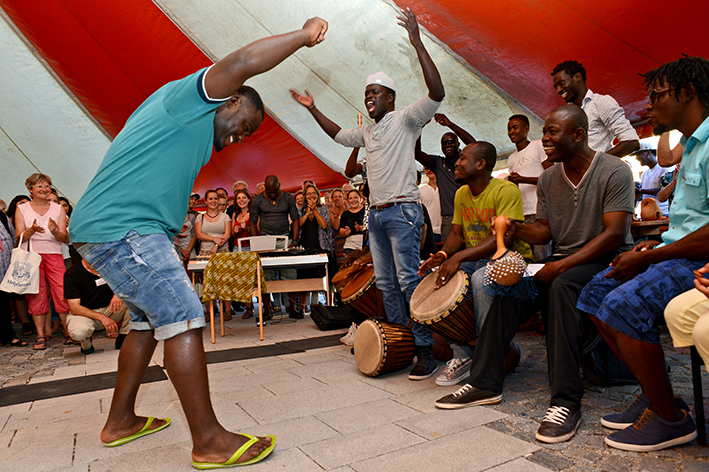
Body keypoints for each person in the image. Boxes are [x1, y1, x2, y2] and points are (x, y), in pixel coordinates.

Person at [67, 17, 327, 467]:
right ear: (230, 100)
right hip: (123, 228)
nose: (240, 137)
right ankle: (208, 441)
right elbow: (244, 61)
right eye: (244, 125)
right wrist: (304, 35)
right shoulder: (186, 100)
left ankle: (120, 421)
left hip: (119, 229)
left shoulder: (195, 136)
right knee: (184, 316)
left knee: (147, 323)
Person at [434, 105, 635, 445]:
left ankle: (565, 402)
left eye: (552, 132)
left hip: (605, 260)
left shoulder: (614, 170)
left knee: (560, 287)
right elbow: (543, 231)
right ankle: (485, 382)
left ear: (578, 135)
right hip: (562, 258)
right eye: (544, 133)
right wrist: (516, 229)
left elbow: (614, 234)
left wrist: (562, 265)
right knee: (506, 287)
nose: (545, 140)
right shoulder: (549, 179)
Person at [291, 7, 444, 379]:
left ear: (390, 97)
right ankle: (403, 344)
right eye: (366, 94)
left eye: (375, 92)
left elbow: (437, 93)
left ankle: (425, 350)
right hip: (375, 216)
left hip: (403, 212)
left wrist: (417, 42)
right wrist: (313, 109)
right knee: (387, 284)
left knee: (407, 280)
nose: (369, 98)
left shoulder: (406, 118)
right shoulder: (367, 132)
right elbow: (337, 135)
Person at [577, 55, 709, 452]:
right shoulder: (690, 146)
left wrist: (652, 258)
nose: (648, 106)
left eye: (657, 95)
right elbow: (690, 222)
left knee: (623, 304)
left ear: (688, 92)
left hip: (700, 263)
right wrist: (658, 245)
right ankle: (657, 394)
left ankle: (670, 418)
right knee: (595, 293)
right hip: (677, 252)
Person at [418, 141, 532, 386]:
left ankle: (487, 356)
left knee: (482, 278)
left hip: (509, 258)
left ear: (480, 164)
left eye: (463, 158)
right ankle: (462, 355)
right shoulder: (461, 193)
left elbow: (505, 237)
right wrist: (443, 256)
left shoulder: (505, 190)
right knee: (437, 278)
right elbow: (455, 234)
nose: (457, 164)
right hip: (477, 258)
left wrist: (459, 257)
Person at [14, 173, 71, 350]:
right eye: (39, 186)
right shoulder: (22, 209)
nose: (44, 189)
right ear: (30, 189)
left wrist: (54, 231)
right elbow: (19, 237)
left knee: (61, 292)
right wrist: (31, 230)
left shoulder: (57, 208)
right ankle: (40, 335)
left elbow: (64, 237)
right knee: (36, 295)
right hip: (32, 256)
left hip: (54, 254)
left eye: (47, 186)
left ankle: (68, 332)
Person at [552, 60, 640, 157]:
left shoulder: (600, 102)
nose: (558, 90)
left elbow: (631, 142)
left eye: (561, 83)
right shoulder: (565, 113)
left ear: (578, 77)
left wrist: (595, 163)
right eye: (556, 87)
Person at [415, 113, 475, 240]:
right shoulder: (438, 163)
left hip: (470, 212)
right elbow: (417, 154)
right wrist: (420, 128)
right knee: (448, 250)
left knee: (474, 247)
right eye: (444, 143)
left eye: (451, 142)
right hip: (449, 217)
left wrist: (450, 125)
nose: (447, 145)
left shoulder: (466, 159)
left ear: (458, 144)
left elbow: (476, 145)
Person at [250, 175, 300, 318]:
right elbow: (252, 222)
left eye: (274, 191)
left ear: (279, 186)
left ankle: (292, 308)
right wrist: (256, 242)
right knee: (266, 276)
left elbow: (295, 219)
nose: (272, 194)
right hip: (265, 239)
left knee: (289, 274)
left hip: (285, 237)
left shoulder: (288, 198)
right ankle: (267, 310)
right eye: (269, 191)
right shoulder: (258, 200)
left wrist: (295, 240)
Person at [505, 114, 553, 260]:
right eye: (509, 129)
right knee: (526, 257)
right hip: (522, 213)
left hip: (540, 211)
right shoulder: (511, 158)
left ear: (526, 129)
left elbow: (552, 177)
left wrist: (523, 179)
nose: (511, 132)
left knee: (542, 256)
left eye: (515, 127)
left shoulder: (538, 146)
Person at [64, 259, 131, 354]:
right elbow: (75, 308)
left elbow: (130, 282)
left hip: (111, 309)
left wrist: (118, 294)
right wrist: (102, 317)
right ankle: (86, 343)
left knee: (136, 301)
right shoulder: (72, 274)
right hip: (85, 314)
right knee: (79, 331)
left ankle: (125, 336)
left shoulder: (111, 265)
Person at [296, 183, 334, 313]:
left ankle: (321, 305)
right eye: (308, 194)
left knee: (322, 277)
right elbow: (297, 226)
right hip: (304, 248)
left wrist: (315, 211)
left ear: (317, 195)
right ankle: (302, 306)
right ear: (305, 196)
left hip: (320, 247)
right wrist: (307, 214)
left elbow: (324, 225)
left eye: (313, 193)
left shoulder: (323, 209)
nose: (311, 196)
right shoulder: (300, 210)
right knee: (303, 278)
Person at [0, 208, 27, 347]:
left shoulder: (2, 217)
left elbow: (14, 239)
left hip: (4, 270)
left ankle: (7, 336)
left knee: (3, 304)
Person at [633, 143, 673, 217]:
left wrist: (640, 190)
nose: (636, 158)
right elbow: (642, 194)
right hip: (647, 214)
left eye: (638, 154)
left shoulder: (664, 169)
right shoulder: (644, 174)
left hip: (662, 213)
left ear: (648, 152)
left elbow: (664, 190)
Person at [195, 189, 231, 256]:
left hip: (223, 251)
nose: (213, 201)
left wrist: (216, 246)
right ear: (205, 201)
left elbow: (227, 235)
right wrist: (214, 239)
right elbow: (199, 235)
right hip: (205, 252)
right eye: (210, 199)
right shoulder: (200, 217)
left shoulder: (225, 216)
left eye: (215, 199)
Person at [339, 189, 366, 253]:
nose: (353, 200)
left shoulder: (366, 211)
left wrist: (361, 228)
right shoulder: (345, 214)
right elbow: (341, 231)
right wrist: (344, 232)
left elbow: (373, 227)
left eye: (355, 197)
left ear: (360, 198)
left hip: (366, 244)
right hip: (350, 246)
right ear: (348, 201)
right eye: (350, 198)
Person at [419, 167, 442, 242]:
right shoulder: (420, 191)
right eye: (426, 169)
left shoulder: (446, 189)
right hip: (429, 232)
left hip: (446, 230)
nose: (429, 170)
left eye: (430, 167)